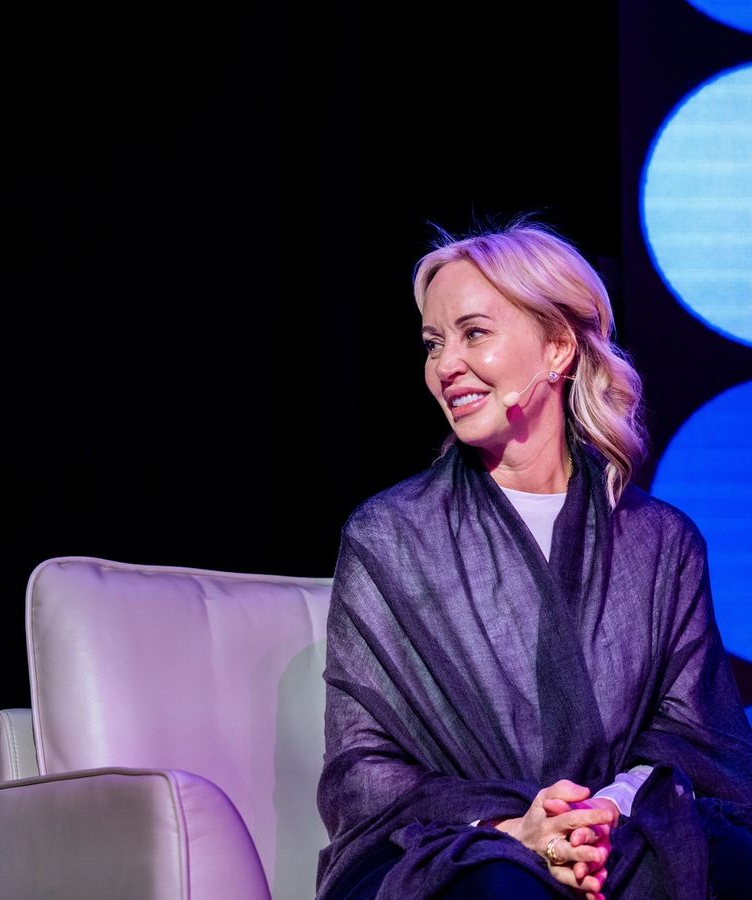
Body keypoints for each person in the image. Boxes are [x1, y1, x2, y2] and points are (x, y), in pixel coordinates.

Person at [314, 220, 752, 900]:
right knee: (503, 888)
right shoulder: (390, 537)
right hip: (450, 846)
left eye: (474, 333)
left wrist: (601, 813)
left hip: (625, 831)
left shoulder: (661, 543)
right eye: (433, 343)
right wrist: (512, 825)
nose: (444, 365)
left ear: (556, 347)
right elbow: (362, 768)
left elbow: (694, 740)